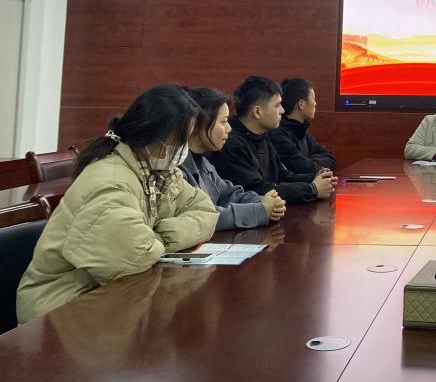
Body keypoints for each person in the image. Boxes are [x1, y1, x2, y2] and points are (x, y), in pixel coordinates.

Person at [16, 85, 218, 324]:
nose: (183, 149)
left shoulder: (159, 172)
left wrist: (159, 236)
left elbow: (206, 211)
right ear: (154, 135)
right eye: (181, 140)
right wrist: (154, 241)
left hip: (107, 295)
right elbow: (135, 258)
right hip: (60, 309)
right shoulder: (110, 181)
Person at [209, 76, 336, 204]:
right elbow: (256, 190)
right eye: (277, 105)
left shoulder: (262, 137)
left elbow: (282, 176)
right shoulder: (231, 144)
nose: (282, 110)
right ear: (257, 112)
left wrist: (316, 178)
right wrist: (311, 189)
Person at [182, 86, 286, 230]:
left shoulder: (203, 162)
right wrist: (260, 210)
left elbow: (229, 195)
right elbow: (202, 217)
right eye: (223, 121)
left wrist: (268, 202)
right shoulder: (176, 168)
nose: (229, 128)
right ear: (198, 124)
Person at [268, 78, 337, 175]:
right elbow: (301, 168)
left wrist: (309, 162)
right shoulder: (277, 134)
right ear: (301, 104)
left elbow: (330, 158)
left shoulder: (301, 129)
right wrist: (311, 164)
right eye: (313, 99)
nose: (315, 103)